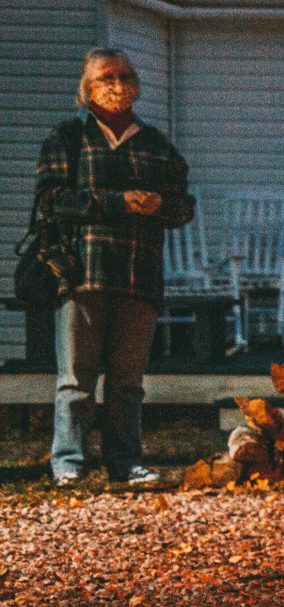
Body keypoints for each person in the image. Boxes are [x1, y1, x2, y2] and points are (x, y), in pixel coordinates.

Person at [35, 48, 195, 486]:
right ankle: (68, 461)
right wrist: (115, 202)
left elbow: (184, 206)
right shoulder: (68, 137)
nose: (118, 83)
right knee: (76, 379)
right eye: (107, 76)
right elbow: (51, 201)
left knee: (127, 381)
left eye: (125, 75)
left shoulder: (156, 144)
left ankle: (125, 462)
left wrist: (162, 205)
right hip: (81, 273)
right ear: (87, 89)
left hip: (138, 277)